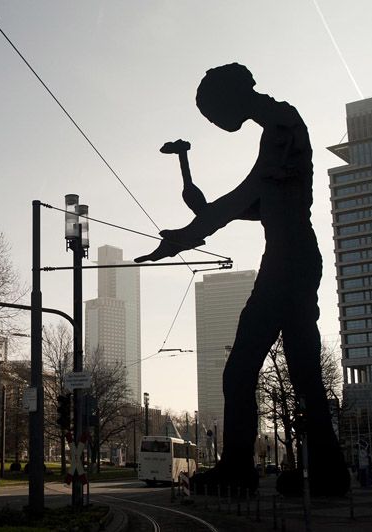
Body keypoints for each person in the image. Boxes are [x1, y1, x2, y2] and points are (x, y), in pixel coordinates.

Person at [137, 63, 349, 496]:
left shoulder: (280, 124)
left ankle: (238, 468)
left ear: (233, 96)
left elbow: (246, 197)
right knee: (302, 367)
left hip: (288, 260)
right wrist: (205, 211)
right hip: (291, 256)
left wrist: (186, 234)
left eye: (214, 113)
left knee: (242, 370)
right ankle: (329, 471)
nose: (215, 123)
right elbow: (258, 203)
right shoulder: (276, 127)